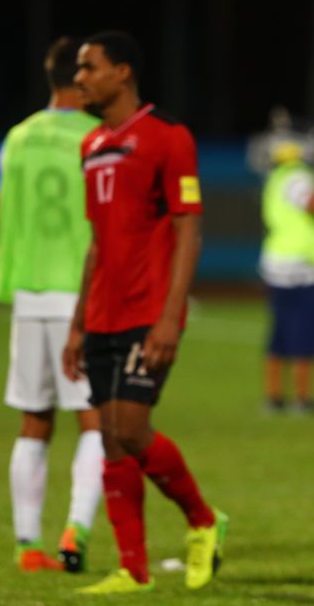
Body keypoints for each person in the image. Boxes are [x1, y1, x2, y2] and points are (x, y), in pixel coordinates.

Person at [61, 31, 227, 594]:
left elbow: (188, 227)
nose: (79, 77)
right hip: (103, 313)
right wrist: (78, 321)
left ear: (123, 72)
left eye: (89, 67)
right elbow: (96, 240)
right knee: (110, 438)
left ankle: (204, 522)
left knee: (130, 429)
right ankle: (132, 569)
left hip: (148, 309)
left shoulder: (167, 138)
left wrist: (169, 315)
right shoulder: (90, 145)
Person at [0, 37, 104, 573]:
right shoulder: (98, 137)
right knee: (95, 422)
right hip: (84, 296)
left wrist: (17, 263)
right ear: (81, 79)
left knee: (35, 422)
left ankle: (27, 545)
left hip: (29, 294)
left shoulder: (18, 137)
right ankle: (75, 531)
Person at [259, 137, 314, 413]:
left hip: (277, 262)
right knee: (306, 334)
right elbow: (311, 204)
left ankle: (274, 396)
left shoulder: (276, 176)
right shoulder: (301, 177)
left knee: (280, 333)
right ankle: (303, 397)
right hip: (303, 265)